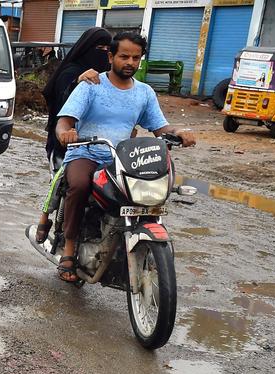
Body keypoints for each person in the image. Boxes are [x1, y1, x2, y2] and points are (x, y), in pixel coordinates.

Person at [53, 31, 196, 282]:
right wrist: (66, 133)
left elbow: (160, 127)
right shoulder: (92, 85)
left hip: (122, 157)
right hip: (87, 152)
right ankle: (68, 248)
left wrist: (179, 132)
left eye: (135, 57)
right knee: (79, 185)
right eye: (124, 56)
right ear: (110, 56)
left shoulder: (144, 93)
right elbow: (64, 122)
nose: (130, 62)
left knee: (140, 195)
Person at [33, 27, 111, 244]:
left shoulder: (110, 79)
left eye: (107, 49)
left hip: (102, 143)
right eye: (99, 48)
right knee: (65, 179)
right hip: (66, 141)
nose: (103, 53)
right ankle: (46, 219)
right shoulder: (71, 71)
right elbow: (62, 101)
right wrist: (77, 81)